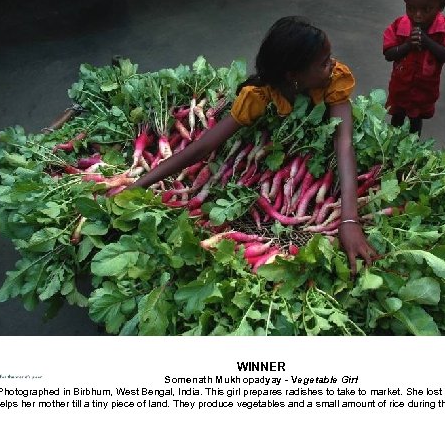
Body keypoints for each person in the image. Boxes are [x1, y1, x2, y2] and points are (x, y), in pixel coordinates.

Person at [132, 16, 378, 275]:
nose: (332, 65)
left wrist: (349, 219)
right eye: (323, 63)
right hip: (271, 149)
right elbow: (203, 147)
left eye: (330, 58)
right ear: (293, 75)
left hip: (309, 158)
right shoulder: (259, 97)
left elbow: (344, 142)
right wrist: (140, 185)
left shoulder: (334, 81)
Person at [382, 0, 445, 136]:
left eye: (427, 9)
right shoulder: (398, 25)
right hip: (400, 88)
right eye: (411, 8)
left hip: (424, 91)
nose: (418, 16)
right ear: (405, 3)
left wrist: (427, 42)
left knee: (415, 124)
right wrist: (408, 45)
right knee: (396, 120)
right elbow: (389, 54)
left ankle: (411, 154)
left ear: (442, 5)